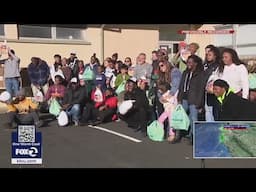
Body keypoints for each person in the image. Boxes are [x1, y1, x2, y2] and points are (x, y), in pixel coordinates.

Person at [177, 55, 205, 145]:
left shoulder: (200, 74)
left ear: (195, 63)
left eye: (190, 62)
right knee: (180, 116)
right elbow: (181, 86)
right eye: (187, 62)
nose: (188, 64)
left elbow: (201, 89)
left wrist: (199, 102)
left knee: (193, 118)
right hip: (184, 97)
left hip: (194, 99)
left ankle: (193, 137)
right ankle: (178, 134)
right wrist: (179, 98)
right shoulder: (185, 72)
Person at [156, 59, 182, 140]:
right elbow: (160, 87)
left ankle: (172, 134)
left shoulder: (174, 71)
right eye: (159, 66)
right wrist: (161, 97)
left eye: (162, 65)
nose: (161, 68)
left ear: (167, 64)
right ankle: (160, 132)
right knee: (163, 117)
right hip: (167, 99)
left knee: (170, 116)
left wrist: (169, 95)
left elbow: (176, 85)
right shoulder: (162, 75)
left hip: (174, 97)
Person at [204, 46, 220, 121]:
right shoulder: (206, 66)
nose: (207, 56)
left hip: (215, 93)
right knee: (208, 112)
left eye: (210, 55)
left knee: (214, 113)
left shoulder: (217, 66)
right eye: (207, 54)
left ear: (215, 56)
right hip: (207, 92)